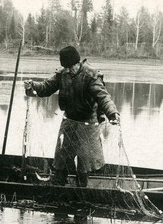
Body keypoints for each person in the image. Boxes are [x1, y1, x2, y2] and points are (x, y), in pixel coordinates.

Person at [24, 45, 120, 187]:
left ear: (77, 63)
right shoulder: (63, 74)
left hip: (88, 123)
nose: (68, 71)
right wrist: (33, 86)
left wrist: (112, 113)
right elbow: (46, 87)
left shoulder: (90, 76)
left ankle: (82, 184)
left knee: (85, 158)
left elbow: (103, 97)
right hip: (69, 120)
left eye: (71, 67)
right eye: (66, 68)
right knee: (62, 155)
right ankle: (59, 181)